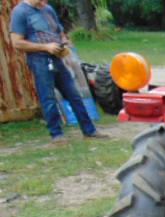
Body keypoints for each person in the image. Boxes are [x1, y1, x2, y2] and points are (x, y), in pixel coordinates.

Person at [10, 0, 107, 144]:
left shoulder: (48, 9)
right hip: (39, 60)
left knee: (74, 94)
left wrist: (65, 43)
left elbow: (60, 32)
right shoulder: (20, 12)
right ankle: (57, 135)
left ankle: (89, 131)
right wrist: (45, 47)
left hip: (57, 59)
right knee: (48, 98)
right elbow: (17, 42)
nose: (45, 1)